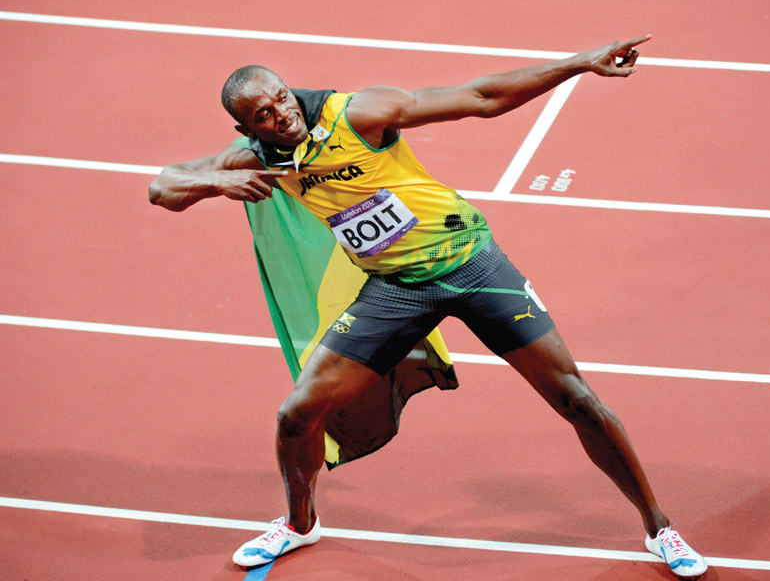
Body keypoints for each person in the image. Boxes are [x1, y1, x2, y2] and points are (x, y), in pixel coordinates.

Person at [149, 35, 707, 579]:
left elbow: (481, 97)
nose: (282, 117)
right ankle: (300, 524)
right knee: (295, 415)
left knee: (576, 398)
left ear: (290, 91)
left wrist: (581, 63)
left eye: (282, 100)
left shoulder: (359, 114)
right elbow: (162, 187)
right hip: (394, 289)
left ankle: (660, 527)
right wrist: (217, 181)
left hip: (474, 265)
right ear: (246, 128)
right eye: (264, 116)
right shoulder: (258, 155)